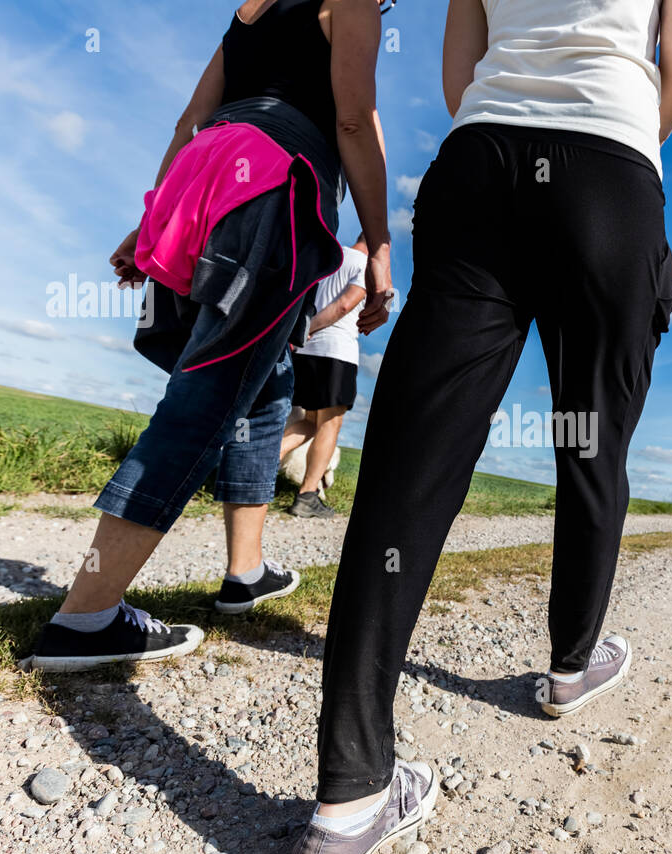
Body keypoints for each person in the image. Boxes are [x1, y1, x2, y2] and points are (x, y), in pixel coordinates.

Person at [291, 0, 672, 854]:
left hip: (481, 163)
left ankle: (349, 796)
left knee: (411, 459)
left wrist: (516, 118)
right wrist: (628, 130)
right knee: (590, 446)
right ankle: (571, 662)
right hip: (612, 167)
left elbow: (461, 72)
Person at [24, 0, 395, 672]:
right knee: (208, 395)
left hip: (205, 177)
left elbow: (188, 120)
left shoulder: (250, 10)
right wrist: (380, 245)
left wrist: (150, 219)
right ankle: (86, 615)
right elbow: (350, 119)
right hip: (273, 187)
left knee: (267, 385)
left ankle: (245, 570)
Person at [279, 235, 369, 519]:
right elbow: (345, 305)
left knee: (309, 421)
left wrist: (302, 333)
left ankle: (255, 471)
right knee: (330, 424)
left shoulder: (331, 257)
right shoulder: (367, 265)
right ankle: (307, 495)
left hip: (307, 352)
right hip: (336, 351)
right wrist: (312, 328)